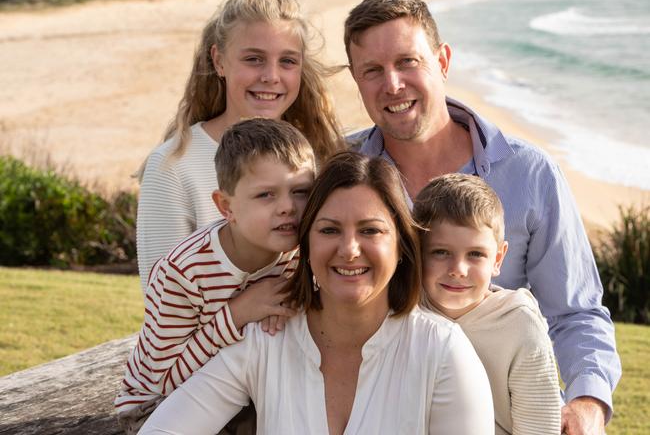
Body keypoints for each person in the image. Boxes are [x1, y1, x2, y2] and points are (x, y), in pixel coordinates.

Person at [344, 0, 620, 435]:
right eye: (372, 71)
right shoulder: (342, 173)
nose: (392, 84)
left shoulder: (530, 173)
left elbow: (576, 312)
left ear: (443, 60)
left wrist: (587, 403)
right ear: (356, 81)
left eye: (407, 62)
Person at [139, 151, 494, 435]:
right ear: (306, 245)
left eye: (370, 230)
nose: (349, 249)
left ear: (400, 246)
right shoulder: (265, 342)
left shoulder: (442, 350)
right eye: (329, 230)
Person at [136, 0, 343, 293]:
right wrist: (245, 309)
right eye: (254, 59)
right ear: (219, 61)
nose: (271, 76)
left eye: (287, 61)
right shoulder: (174, 167)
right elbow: (164, 309)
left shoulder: (318, 155)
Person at [115, 118, 316, 433]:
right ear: (226, 206)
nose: (287, 207)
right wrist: (238, 314)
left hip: (250, 391)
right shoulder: (183, 273)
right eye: (266, 195)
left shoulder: (303, 253)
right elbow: (163, 380)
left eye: (301, 191)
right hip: (159, 406)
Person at [413, 173, 562, 434]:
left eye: (475, 254)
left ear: (498, 258)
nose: (458, 269)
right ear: (416, 251)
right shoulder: (404, 312)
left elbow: (539, 426)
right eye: (441, 252)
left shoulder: (520, 325)